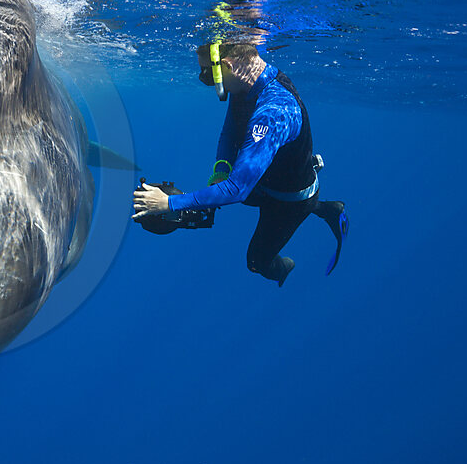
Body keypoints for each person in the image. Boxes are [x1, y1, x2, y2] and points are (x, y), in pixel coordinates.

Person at [133, 41, 348, 286]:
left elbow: (237, 190)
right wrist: (222, 169)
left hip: (289, 200)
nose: (206, 80)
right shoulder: (248, 84)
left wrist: (169, 203)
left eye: (207, 73)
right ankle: (326, 208)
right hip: (266, 180)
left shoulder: (273, 112)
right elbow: (230, 132)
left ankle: (291, 257)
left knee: (257, 261)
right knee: (221, 195)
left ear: (227, 65)